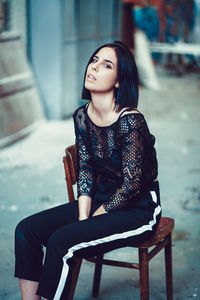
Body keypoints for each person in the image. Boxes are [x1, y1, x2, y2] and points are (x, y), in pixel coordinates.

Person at [15, 41, 161, 300]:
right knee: (26, 230)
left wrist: (98, 215)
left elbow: (132, 185)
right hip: (101, 198)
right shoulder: (82, 115)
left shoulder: (131, 121)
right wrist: (84, 216)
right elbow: (85, 169)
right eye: (94, 60)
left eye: (107, 65)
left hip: (139, 210)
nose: (94, 67)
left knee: (61, 241)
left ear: (119, 80)